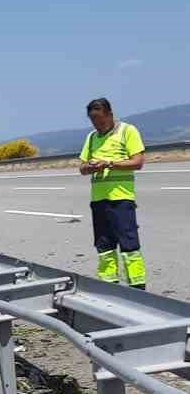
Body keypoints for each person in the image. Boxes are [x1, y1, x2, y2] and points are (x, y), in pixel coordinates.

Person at [78, 98, 146, 288]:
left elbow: (138, 162)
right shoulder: (92, 137)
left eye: (100, 120)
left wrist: (108, 163)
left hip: (121, 199)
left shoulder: (127, 131)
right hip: (99, 200)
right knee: (104, 247)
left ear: (110, 114)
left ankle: (138, 287)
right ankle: (109, 286)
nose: (96, 125)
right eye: (93, 121)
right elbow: (81, 167)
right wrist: (89, 167)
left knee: (129, 246)